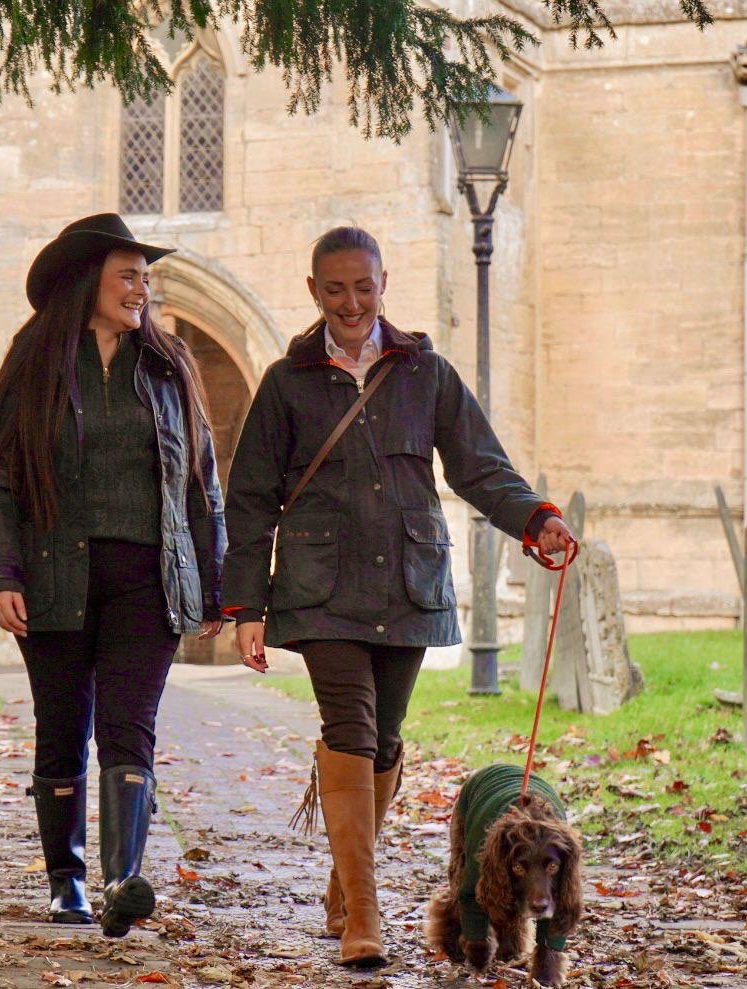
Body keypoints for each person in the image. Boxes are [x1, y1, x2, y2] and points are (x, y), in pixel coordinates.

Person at [221, 226, 573, 968]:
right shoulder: (287, 382)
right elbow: (250, 496)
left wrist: (536, 517)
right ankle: (363, 912)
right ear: (313, 290)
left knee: (383, 739)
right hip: (320, 587)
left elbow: (478, 464)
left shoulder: (426, 372)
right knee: (348, 725)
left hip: (408, 581)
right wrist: (245, 605)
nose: (351, 301)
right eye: (335, 288)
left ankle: (341, 880)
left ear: (384, 284)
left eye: (364, 286)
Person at [0, 213, 225, 937]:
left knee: (128, 728)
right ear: (89, 283)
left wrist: (214, 581)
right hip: (53, 575)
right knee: (61, 729)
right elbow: (1, 478)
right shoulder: (38, 362)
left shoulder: (168, 366)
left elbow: (200, 481)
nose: (142, 288)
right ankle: (65, 878)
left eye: (146, 276)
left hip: (148, 576)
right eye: (128, 275)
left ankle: (122, 880)